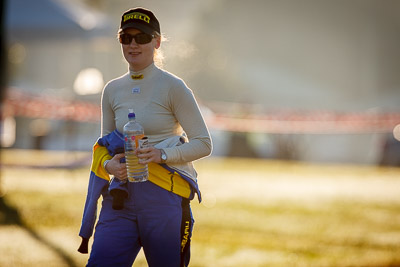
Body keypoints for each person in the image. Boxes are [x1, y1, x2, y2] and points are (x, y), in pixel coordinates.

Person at [77, 7, 212, 267]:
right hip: (120, 199)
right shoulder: (112, 89)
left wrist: (162, 154)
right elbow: (103, 144)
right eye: (126, 38)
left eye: (141, 37)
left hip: (163, 198)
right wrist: (108, 165)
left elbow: (204, 143)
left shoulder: (174, 86)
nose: (133, 44)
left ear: (157, 41)